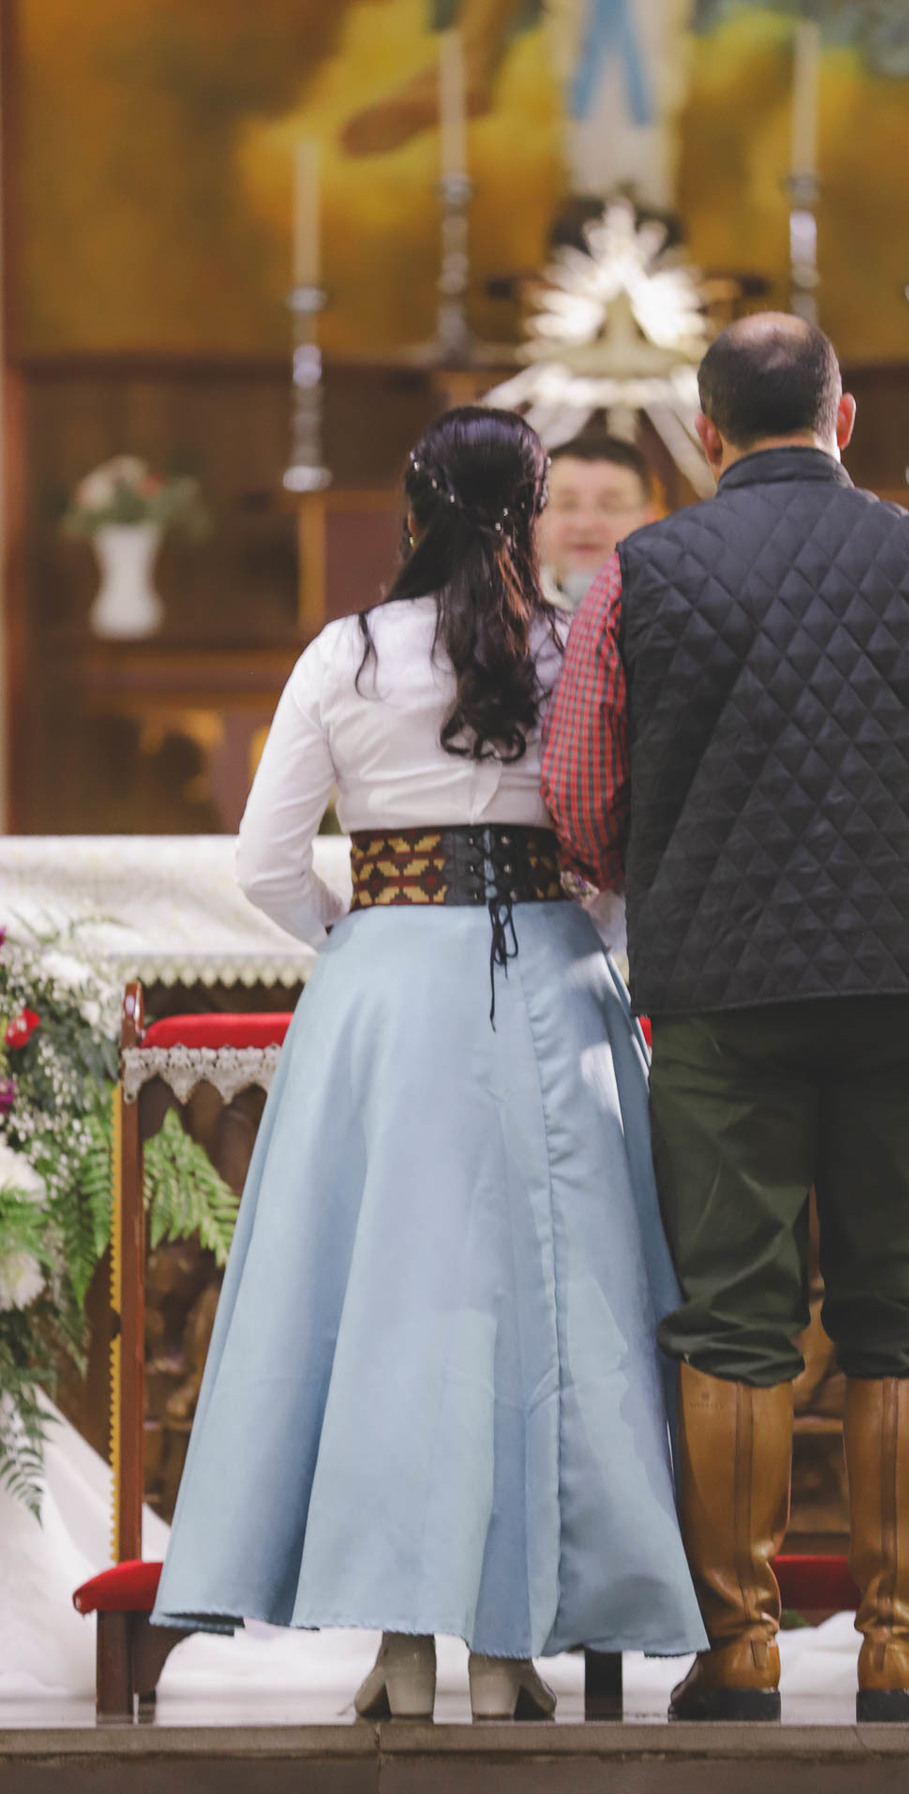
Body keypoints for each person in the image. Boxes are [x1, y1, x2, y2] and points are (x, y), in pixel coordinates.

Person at [151, 407, 706, 1720]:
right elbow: (610, 845)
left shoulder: (344, 655)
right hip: (552, 990)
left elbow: (264, 866)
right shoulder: (572, 647)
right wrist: (586, 935)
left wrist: (359, 942)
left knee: (382, 1311)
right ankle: (511, 1647)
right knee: (542, 1312)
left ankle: (401, 1644)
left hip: (384, 1000)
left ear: (409, 513)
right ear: (525, 519)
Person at [541, 314, 909, 1725]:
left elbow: (580, 795)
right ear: (845, 417)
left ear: (704, 430)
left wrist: (665, 869)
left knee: (734, 1327)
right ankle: (900, 1653)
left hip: (725, 990)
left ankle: (740, 1647)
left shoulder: (641, 574)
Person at [538, 435, 656, 614]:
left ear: (648, 520)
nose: (585, 524)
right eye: (567, 504)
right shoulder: (504, 616)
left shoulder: (675, 613)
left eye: (609, 506)